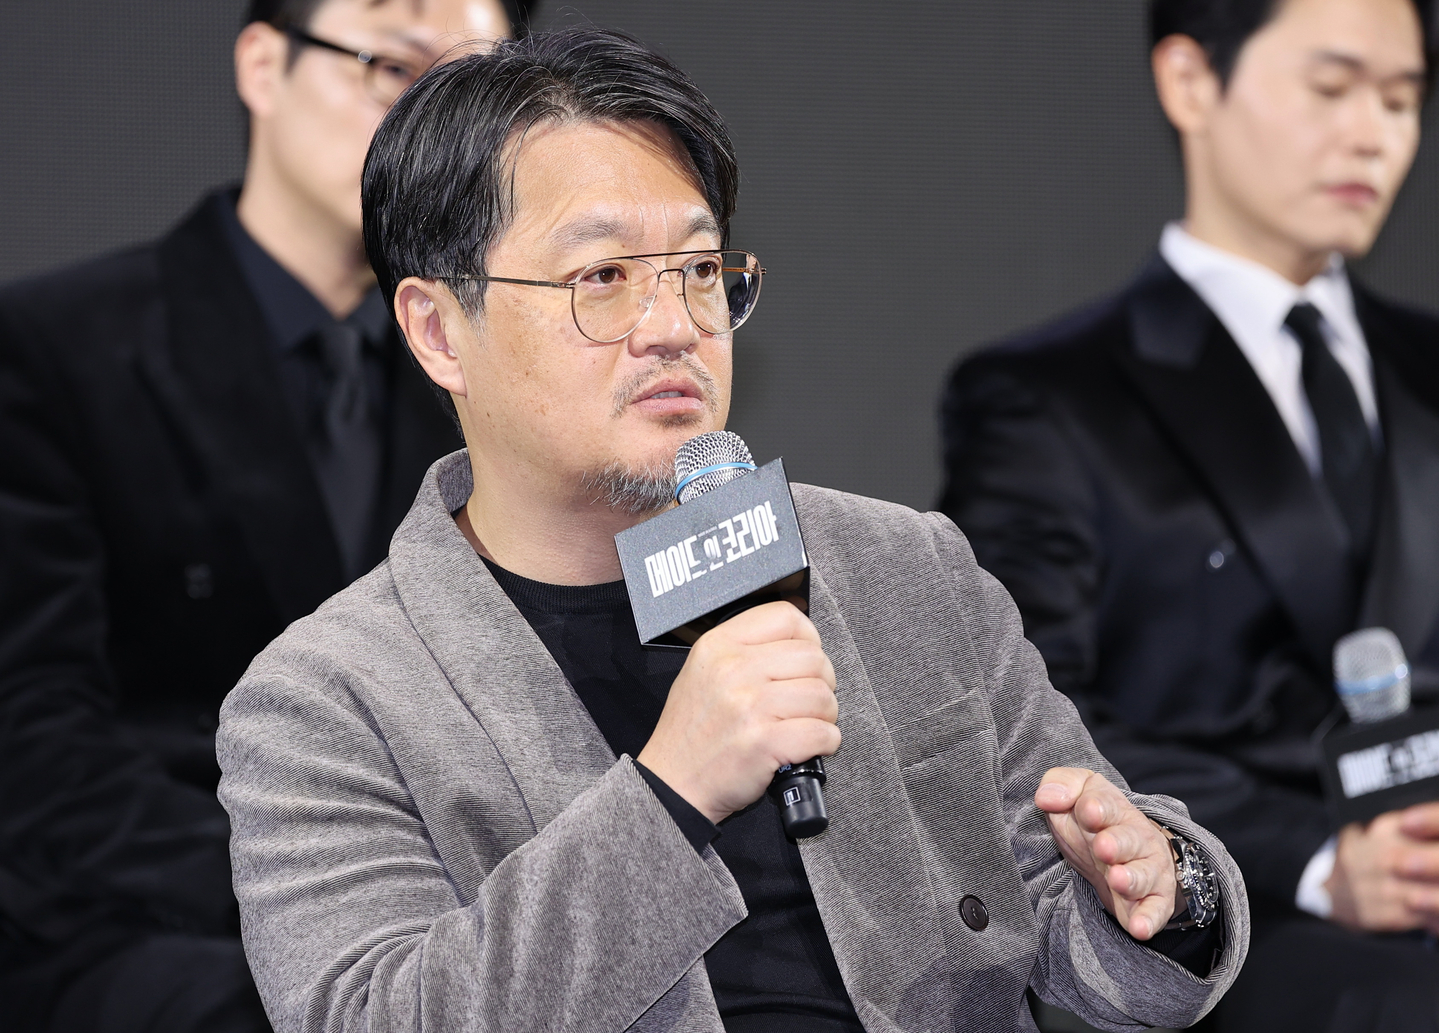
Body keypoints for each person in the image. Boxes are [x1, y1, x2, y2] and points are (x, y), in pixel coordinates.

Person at [218, 27, 1249, 1033]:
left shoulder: (904, 571)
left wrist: (1166, 886)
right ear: (440, 330)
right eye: (602, 278)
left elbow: (1108, 954)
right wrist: (671, 795)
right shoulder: (322, 702)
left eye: (699, 270)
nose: (673, 323)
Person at [0, 1, 527, 1029]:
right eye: (390, 63)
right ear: (261, 63)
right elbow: (30, 734)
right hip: (134, 925)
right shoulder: (50, 349)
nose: (424, 121)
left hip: (426, 922)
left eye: (467, 85)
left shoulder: (492, 388)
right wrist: (312, 892)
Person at [939, 0, 1439, 1029]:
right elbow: (1025, 713)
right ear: (1187, 83)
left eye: (1401, 98)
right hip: (1251, 928)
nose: (1373, 133)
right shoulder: (1046, 397)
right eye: (1330, 86)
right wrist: (1312, 863)